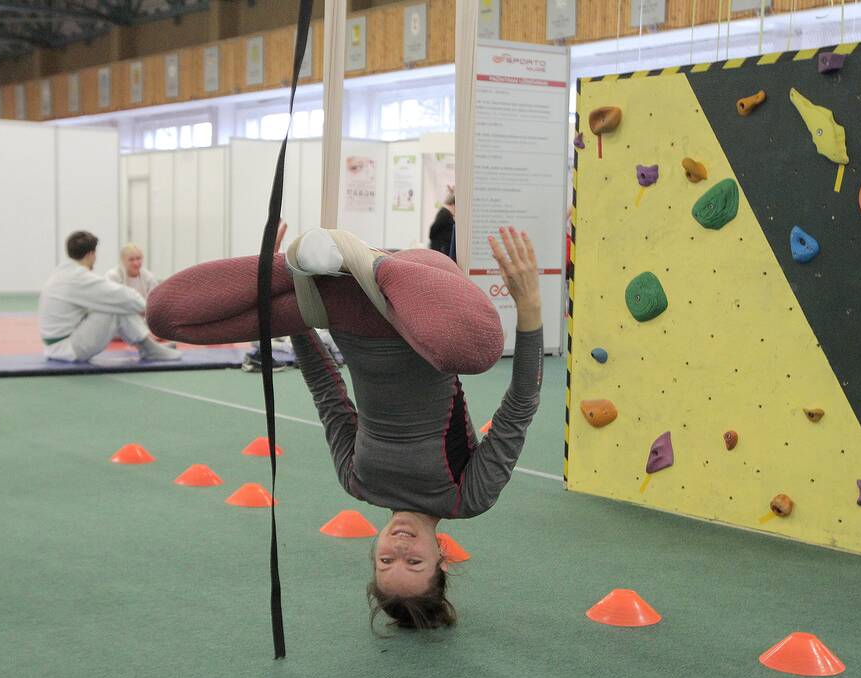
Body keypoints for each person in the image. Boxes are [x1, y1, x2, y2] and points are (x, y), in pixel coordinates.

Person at [147, 225, 542, 632]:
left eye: (387, 560)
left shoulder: (358, 481)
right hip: (420, 302)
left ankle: (307, 263)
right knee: (473, 349)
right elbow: (520, 407)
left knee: (166, 316)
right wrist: (529, 307)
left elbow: (327, 393)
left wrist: (294, 302)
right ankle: (363, 261)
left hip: (345, 309)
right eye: (415, 560)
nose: (400, 546)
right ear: (441, 559)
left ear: (374, 555)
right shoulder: (466, 497)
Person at [39, 231, 182, 363]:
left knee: (115, 303)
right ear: (91, 254)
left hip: (59, 345)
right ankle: (149, 348)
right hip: (67, 349)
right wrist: (148, 309)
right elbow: (127, 299)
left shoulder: (62, 273)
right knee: (116, 306)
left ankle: (150, 346)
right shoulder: (79, 278)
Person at [428, 188, 455, 255]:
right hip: (440, 249)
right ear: (453, 205)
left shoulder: (446, 213)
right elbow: (433, 229)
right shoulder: (444, 213)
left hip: (442, 248)